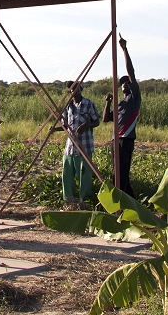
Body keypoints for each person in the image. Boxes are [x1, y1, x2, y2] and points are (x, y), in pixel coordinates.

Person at [51, 81, 100, 209]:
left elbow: (96, 121)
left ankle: (85, 201)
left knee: (84, 176)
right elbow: (65, 125)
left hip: (84, 146)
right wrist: (55, 129)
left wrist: (86, 125)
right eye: (71, 90)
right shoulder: (68, 107)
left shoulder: (88, 104)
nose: (73, 92)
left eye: (75, 89)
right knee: (67, 175)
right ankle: (69, 201)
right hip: (70, 147)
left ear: (80, 90)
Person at [103, 36, 141, 198]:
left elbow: (130, 71)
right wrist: (108, 102)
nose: (123, 84)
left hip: (126, 139)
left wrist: (124, 49)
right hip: (115, 139)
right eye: (121, 83)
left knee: (122, 173)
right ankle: (130, 200)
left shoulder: (134, 98)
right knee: (116, 172)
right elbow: (106, 119)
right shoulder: (120, 103)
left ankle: (123, 201)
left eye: (125, 82)